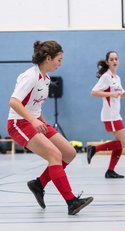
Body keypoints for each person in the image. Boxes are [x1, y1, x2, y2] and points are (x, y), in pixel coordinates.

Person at [7, 40, 93, 215]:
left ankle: (38, 184)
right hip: (19, 123)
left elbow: (35, 106)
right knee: (55, 155)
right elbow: (14, 102)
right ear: (48, 58)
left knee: (69, 152)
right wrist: (34, 121)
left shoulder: (45, 79)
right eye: (59, 60)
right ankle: (71, 202)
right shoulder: (30, 77)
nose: (61, 63)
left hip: (35, 121)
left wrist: (43, 124)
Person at [87, 51, 125, 178]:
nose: (114, 61)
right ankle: (94, 149)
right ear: (107, 62)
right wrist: (110, 94)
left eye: (116, 59)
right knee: (124, 142)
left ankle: (110, 171)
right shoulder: (106, 77)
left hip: (115, 115)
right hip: (110, 115)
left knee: (120, 142)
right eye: (111, 59)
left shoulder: (116, 78)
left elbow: (122, 94)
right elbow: (94, 92)